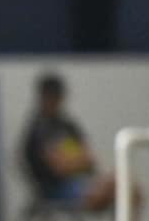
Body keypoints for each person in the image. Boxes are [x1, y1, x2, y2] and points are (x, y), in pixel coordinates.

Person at [22, 71, 116, 212]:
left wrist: (71, 162)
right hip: (54, 189)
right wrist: (75, 162)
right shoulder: (38, 128)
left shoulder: (67, 126)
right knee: (103, 191)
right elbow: (59, 168)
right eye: (52, 96)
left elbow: (89, 160)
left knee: (126, 189)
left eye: (58, 96)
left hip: (81, 182)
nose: (56, 101)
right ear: (43, 98)